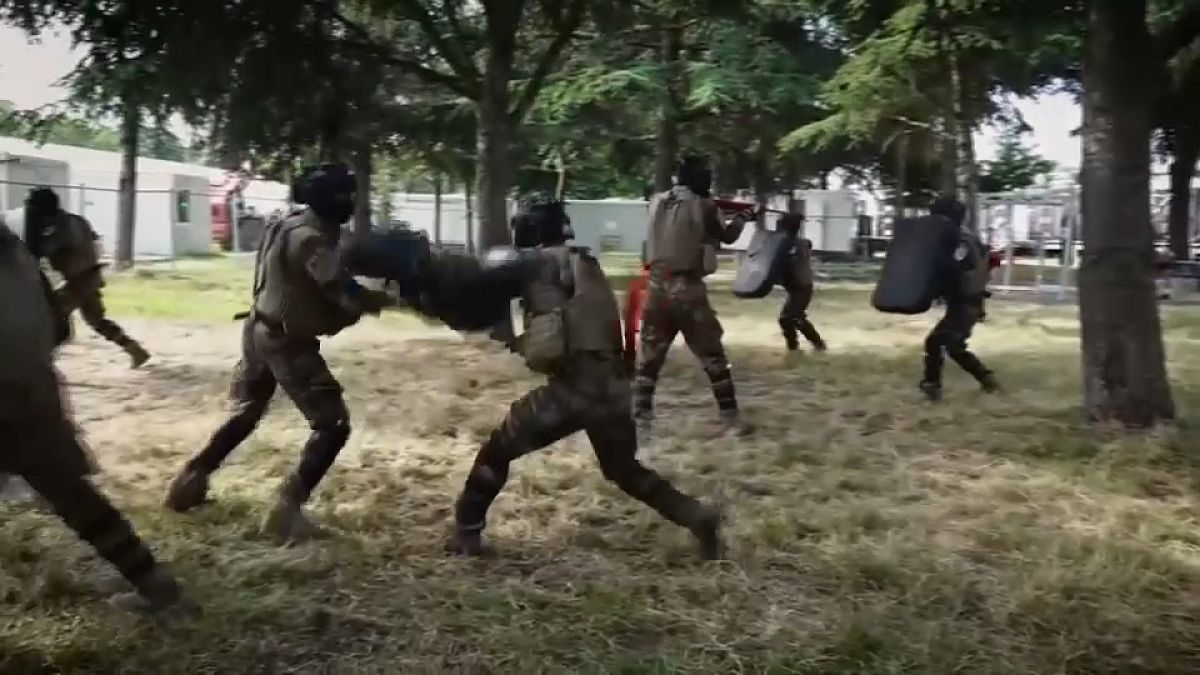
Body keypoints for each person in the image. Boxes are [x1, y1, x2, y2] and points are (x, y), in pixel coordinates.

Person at [445, 194, 724, 560]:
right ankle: (696, 515)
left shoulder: (540, 262)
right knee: (624, 469)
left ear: (530, 229)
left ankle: (466, 534)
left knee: (497, 449)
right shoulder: (585, 262)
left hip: (577, 387)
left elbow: (487, 274)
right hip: (614, 386)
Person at [164, 162, 392, 542]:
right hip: (285, 340)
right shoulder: (311, 241)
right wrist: (384, 298)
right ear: (333, 200)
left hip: (258, 327)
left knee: (245, 414)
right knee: (332, 425)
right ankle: (286, 510)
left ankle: (189, 481)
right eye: (348, 196)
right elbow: (343, 295)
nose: (352, 203)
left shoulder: (285, 223)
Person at [0, 217, 184, 612]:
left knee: (68, 492)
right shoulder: (12, 247)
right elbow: (56, 329)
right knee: (73, 494)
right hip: (33, 392)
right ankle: (153, 583)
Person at [634, 156, 752, 437]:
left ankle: (640, 416)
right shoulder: (705, 205)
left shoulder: (656, 202)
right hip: (687, 289)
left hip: (655, 287)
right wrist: (743, 218)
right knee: (712, 353)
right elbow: (728, 237)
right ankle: (731, 419)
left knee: (650, 354)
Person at [24, 188, 151, 368]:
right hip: (90, 276)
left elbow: (41, 251)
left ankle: (39, 362)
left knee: (50, 317)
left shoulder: (61, 228)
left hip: (79, 281)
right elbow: (91, 240)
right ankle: (134, 349)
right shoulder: (76, 220)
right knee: (97, 321)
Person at [920, 196, 999, 402]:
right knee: (952, 345)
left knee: (937, 342)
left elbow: (956, 265)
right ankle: (987, 380)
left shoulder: (962, 240)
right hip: (962, 301)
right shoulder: (956, 237)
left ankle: (932, 386)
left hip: (967, 302)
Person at [776, 213, 827, 355]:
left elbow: (790, 261)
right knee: (790, 318)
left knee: (791, 318)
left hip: (802, 287)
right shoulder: (790, 244)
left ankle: (815, 345)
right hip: (796, 287)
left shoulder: (797, 245)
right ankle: (796, 348)